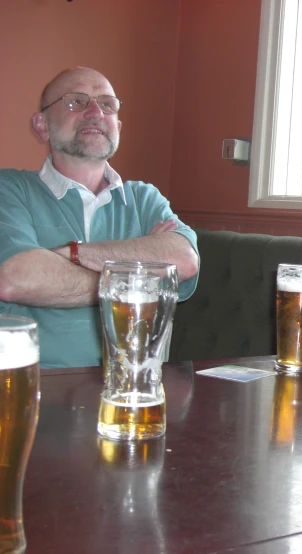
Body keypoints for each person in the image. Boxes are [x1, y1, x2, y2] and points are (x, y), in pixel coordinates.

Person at [0, 67, 200, 368]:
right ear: (42, 125)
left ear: (117, 125)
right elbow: (16, 280)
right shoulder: (11, 189)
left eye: (107, 104)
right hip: (32, 385)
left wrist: (72, 254)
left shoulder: (144, 199)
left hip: (134, 384)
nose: (95, 111)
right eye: (75, 101)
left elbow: (184, 260)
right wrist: (138, 278)